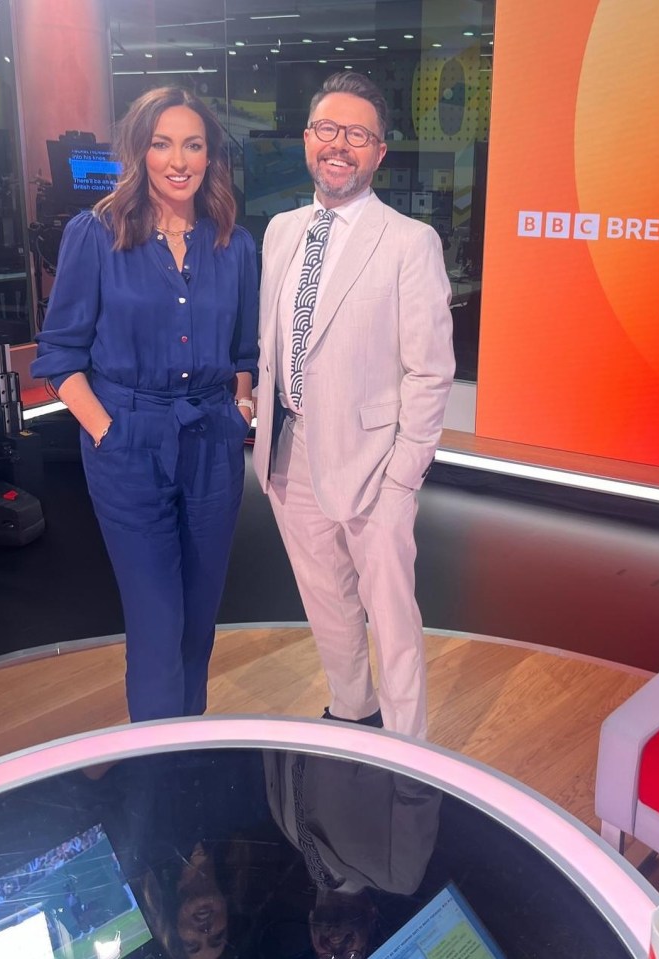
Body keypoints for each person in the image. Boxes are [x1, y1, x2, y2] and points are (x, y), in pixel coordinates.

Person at [31, 87, 259, 722]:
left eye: (192, 144)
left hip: (212, 443)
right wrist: (106, 429)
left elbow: (246, 349)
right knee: (158, 626)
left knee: (199, 622)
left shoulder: (233, 244)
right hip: (127, 444)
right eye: (162, 144)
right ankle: (157, 773)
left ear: (211, 155)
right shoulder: (95, 234)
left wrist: (241, 406)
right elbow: (60, 354)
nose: (177, 160)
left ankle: (187, 752)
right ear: (139, 150)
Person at [252, 72, 455, 739]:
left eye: (358, 135)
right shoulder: (281, 230)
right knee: (327, 603)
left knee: (391, 617)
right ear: (308, 139)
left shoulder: (408, 242)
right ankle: (350, 711)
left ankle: (408, 750)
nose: (341, 146)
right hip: (290, 451)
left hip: (375, 466)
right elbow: (273, 342)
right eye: (328, 130)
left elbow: (430, 373)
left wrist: (403, 479)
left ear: (378, 152)